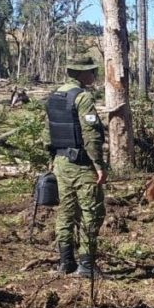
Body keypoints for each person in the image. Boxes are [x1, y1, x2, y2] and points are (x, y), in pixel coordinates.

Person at [47, 54, 107, 278]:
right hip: (81, 165)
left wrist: (52, 160)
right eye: (91, 71)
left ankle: (65, 262)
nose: (94, 74)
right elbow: (91, 135)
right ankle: (87, 265)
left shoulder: (54, 97)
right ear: (81, 73)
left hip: (61, 162)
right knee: (91, 212)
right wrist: (99, 165)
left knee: (66, 211)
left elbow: (48, 133)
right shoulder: (82, 98)